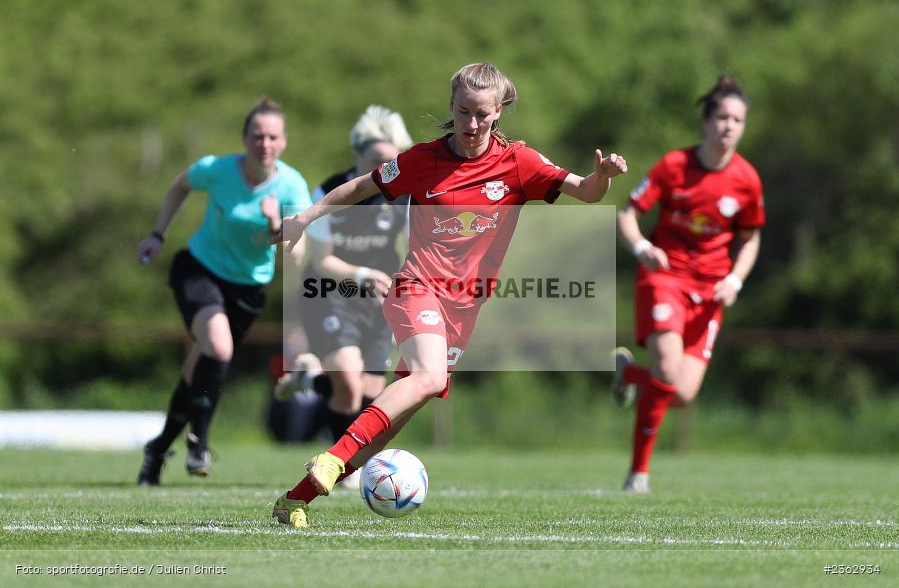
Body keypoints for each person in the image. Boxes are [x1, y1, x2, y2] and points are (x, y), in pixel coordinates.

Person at [270, 62, 628, 528]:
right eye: (463, 113)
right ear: (451, 108)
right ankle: (332, 461)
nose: (472, 124)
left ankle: (293, 501)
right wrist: (307, 215)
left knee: (390, 423)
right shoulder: (422, 160)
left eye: (482, 114)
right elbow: (364, 185)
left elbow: (586, 192)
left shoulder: (520, 162)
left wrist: (602, 176)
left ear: (498, 111)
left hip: (464, 307)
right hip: (414, 287)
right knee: (428, 375)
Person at [135, 96, 312, 486]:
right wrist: (157, 234)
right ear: (245, 138)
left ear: (282, 143)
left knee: (195, 367)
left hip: (248, 290)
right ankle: (200, 443)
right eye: (256, 135)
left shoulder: (293, 187)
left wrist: (275, 226)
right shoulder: (216, 170)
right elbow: (179, 186)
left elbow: (296, 256)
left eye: (272, 137)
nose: (263, 143)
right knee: (219, 346)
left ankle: (159, 448)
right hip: (199, 270)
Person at [611, 75, 765, 494]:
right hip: (664, 278)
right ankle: (638, 475)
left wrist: (735, 278)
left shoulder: (747, 180)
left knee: (680, 393)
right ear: (706, 121)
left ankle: (630, 376)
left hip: (710, 291)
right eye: (722, 117)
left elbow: (750, 238)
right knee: (666, 368)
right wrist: (642, 247)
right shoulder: (674, 166)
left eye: (738, 119)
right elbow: (627, 212)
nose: (729, 126)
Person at [271, 105, 413, 489]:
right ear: (358, 155)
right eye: (377, 161)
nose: (383, 170)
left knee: (370, 393)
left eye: (391, 161)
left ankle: (311, 378)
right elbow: (322, 259)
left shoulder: (403, 198)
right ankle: (345, 468)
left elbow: (419, 245)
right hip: (329, 294)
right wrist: (364, 274)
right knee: (349, 386)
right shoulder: (332, 190)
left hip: (375, 303)